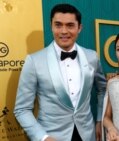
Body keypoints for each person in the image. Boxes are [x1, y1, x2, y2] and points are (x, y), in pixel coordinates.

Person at [14, 3, 106, 141]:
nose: (64, 31)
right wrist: (43, 137)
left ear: (79, 28)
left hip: (87, 134)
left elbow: (102, 90)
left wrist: (100, 119)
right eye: (58, 25)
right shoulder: (34, 60)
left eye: (70, 25)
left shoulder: (92, 56)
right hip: (52, 136)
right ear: (51, 26)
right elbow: (22, 109)